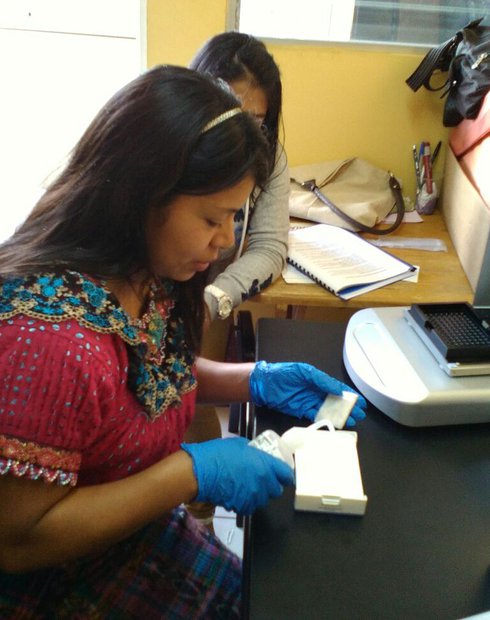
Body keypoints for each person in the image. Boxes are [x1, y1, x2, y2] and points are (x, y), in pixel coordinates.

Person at [0, 65, 366, 618]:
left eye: (235, 217)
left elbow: (141, 374)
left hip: (137, 532)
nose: (224, 241)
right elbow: (18, 541)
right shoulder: (49, 346)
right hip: (64, 578)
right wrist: (189, 473)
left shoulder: (144, 269)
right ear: (142, 196)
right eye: (212, 219)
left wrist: (253, 380)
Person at [189, 31, 290, 324]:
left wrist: (212, 301)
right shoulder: (171, 148)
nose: (226, 239)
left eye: (254, 121)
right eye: (229, 116)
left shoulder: (268, 155)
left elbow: (269, 247)